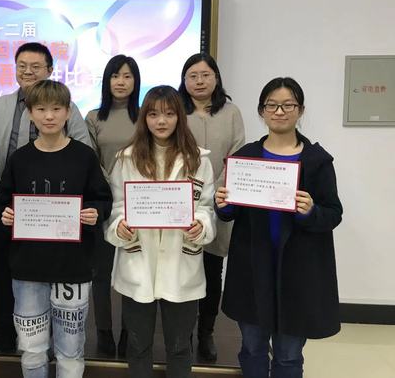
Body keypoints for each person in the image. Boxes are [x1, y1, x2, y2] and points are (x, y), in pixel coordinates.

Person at [215, 77, 343, 378]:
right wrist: (223, 204)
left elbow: (333, 213)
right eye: (271, 105)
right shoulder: (245, 157)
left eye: (288, 105)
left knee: (288, 356)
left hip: (298, 273)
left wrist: (311, 212)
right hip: (252, 268)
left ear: (300, 110)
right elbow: (230, 213)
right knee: (252, 348)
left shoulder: (317, 161)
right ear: (262, 111)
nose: (279, 111)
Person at [0, 42, 92, 351]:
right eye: (22, 66)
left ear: (50, 70)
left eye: (36, 66)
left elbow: (85, 150)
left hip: (56, 207)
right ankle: (4, 332)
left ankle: (48, 337)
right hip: (11, 204)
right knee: (3, 271)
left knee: (48, 274)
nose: (28, 71)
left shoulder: (67, 108)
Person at [0, 79, 112, 378]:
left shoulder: (84, 156)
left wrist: (95, 212)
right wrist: (5, 214)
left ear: (68, 112)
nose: (49, 116)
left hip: (73, 266)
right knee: (32, 348)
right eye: (41, 109)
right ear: (30, 113)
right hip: (28, 267)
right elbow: (3, 199)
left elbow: (103, 198)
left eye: (57, 109)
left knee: (70, 349)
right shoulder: (20, 158)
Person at [106, 85, 216, 378]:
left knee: (180, 347)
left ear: (180, 116)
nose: (161, 121)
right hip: (138, 262)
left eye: (169, 114)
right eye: (153, 114)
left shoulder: (198, 159)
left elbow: (206, 207)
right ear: (144, 118)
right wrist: (121, 227)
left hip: (181, 262)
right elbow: (116, 208)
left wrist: (201, 225)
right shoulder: (126, 159)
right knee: (138, 345)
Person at [177, 52, 245, 361]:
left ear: (216, 78)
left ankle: (206, 332)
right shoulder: (176, 110)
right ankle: (183, 334)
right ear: (184, 80)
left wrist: (214, 188)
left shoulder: (231, 112)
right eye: (193, 76)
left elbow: (237, 154)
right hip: (179, 203)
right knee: (183, 269)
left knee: (212, 269)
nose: (200, 81)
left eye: (205, 75)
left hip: (219, 201)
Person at [84, 54, 141, 356]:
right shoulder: (94, 117)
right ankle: (104, 331)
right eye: (115, 76)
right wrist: (111, 182)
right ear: (107, 81)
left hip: (138, 203)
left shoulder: (145, 116)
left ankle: (129, 331)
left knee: (133, 268)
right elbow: (90, 158)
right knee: (101, 271)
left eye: (127, 76)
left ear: (136, 81)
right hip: (104, 201)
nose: (121, 81)